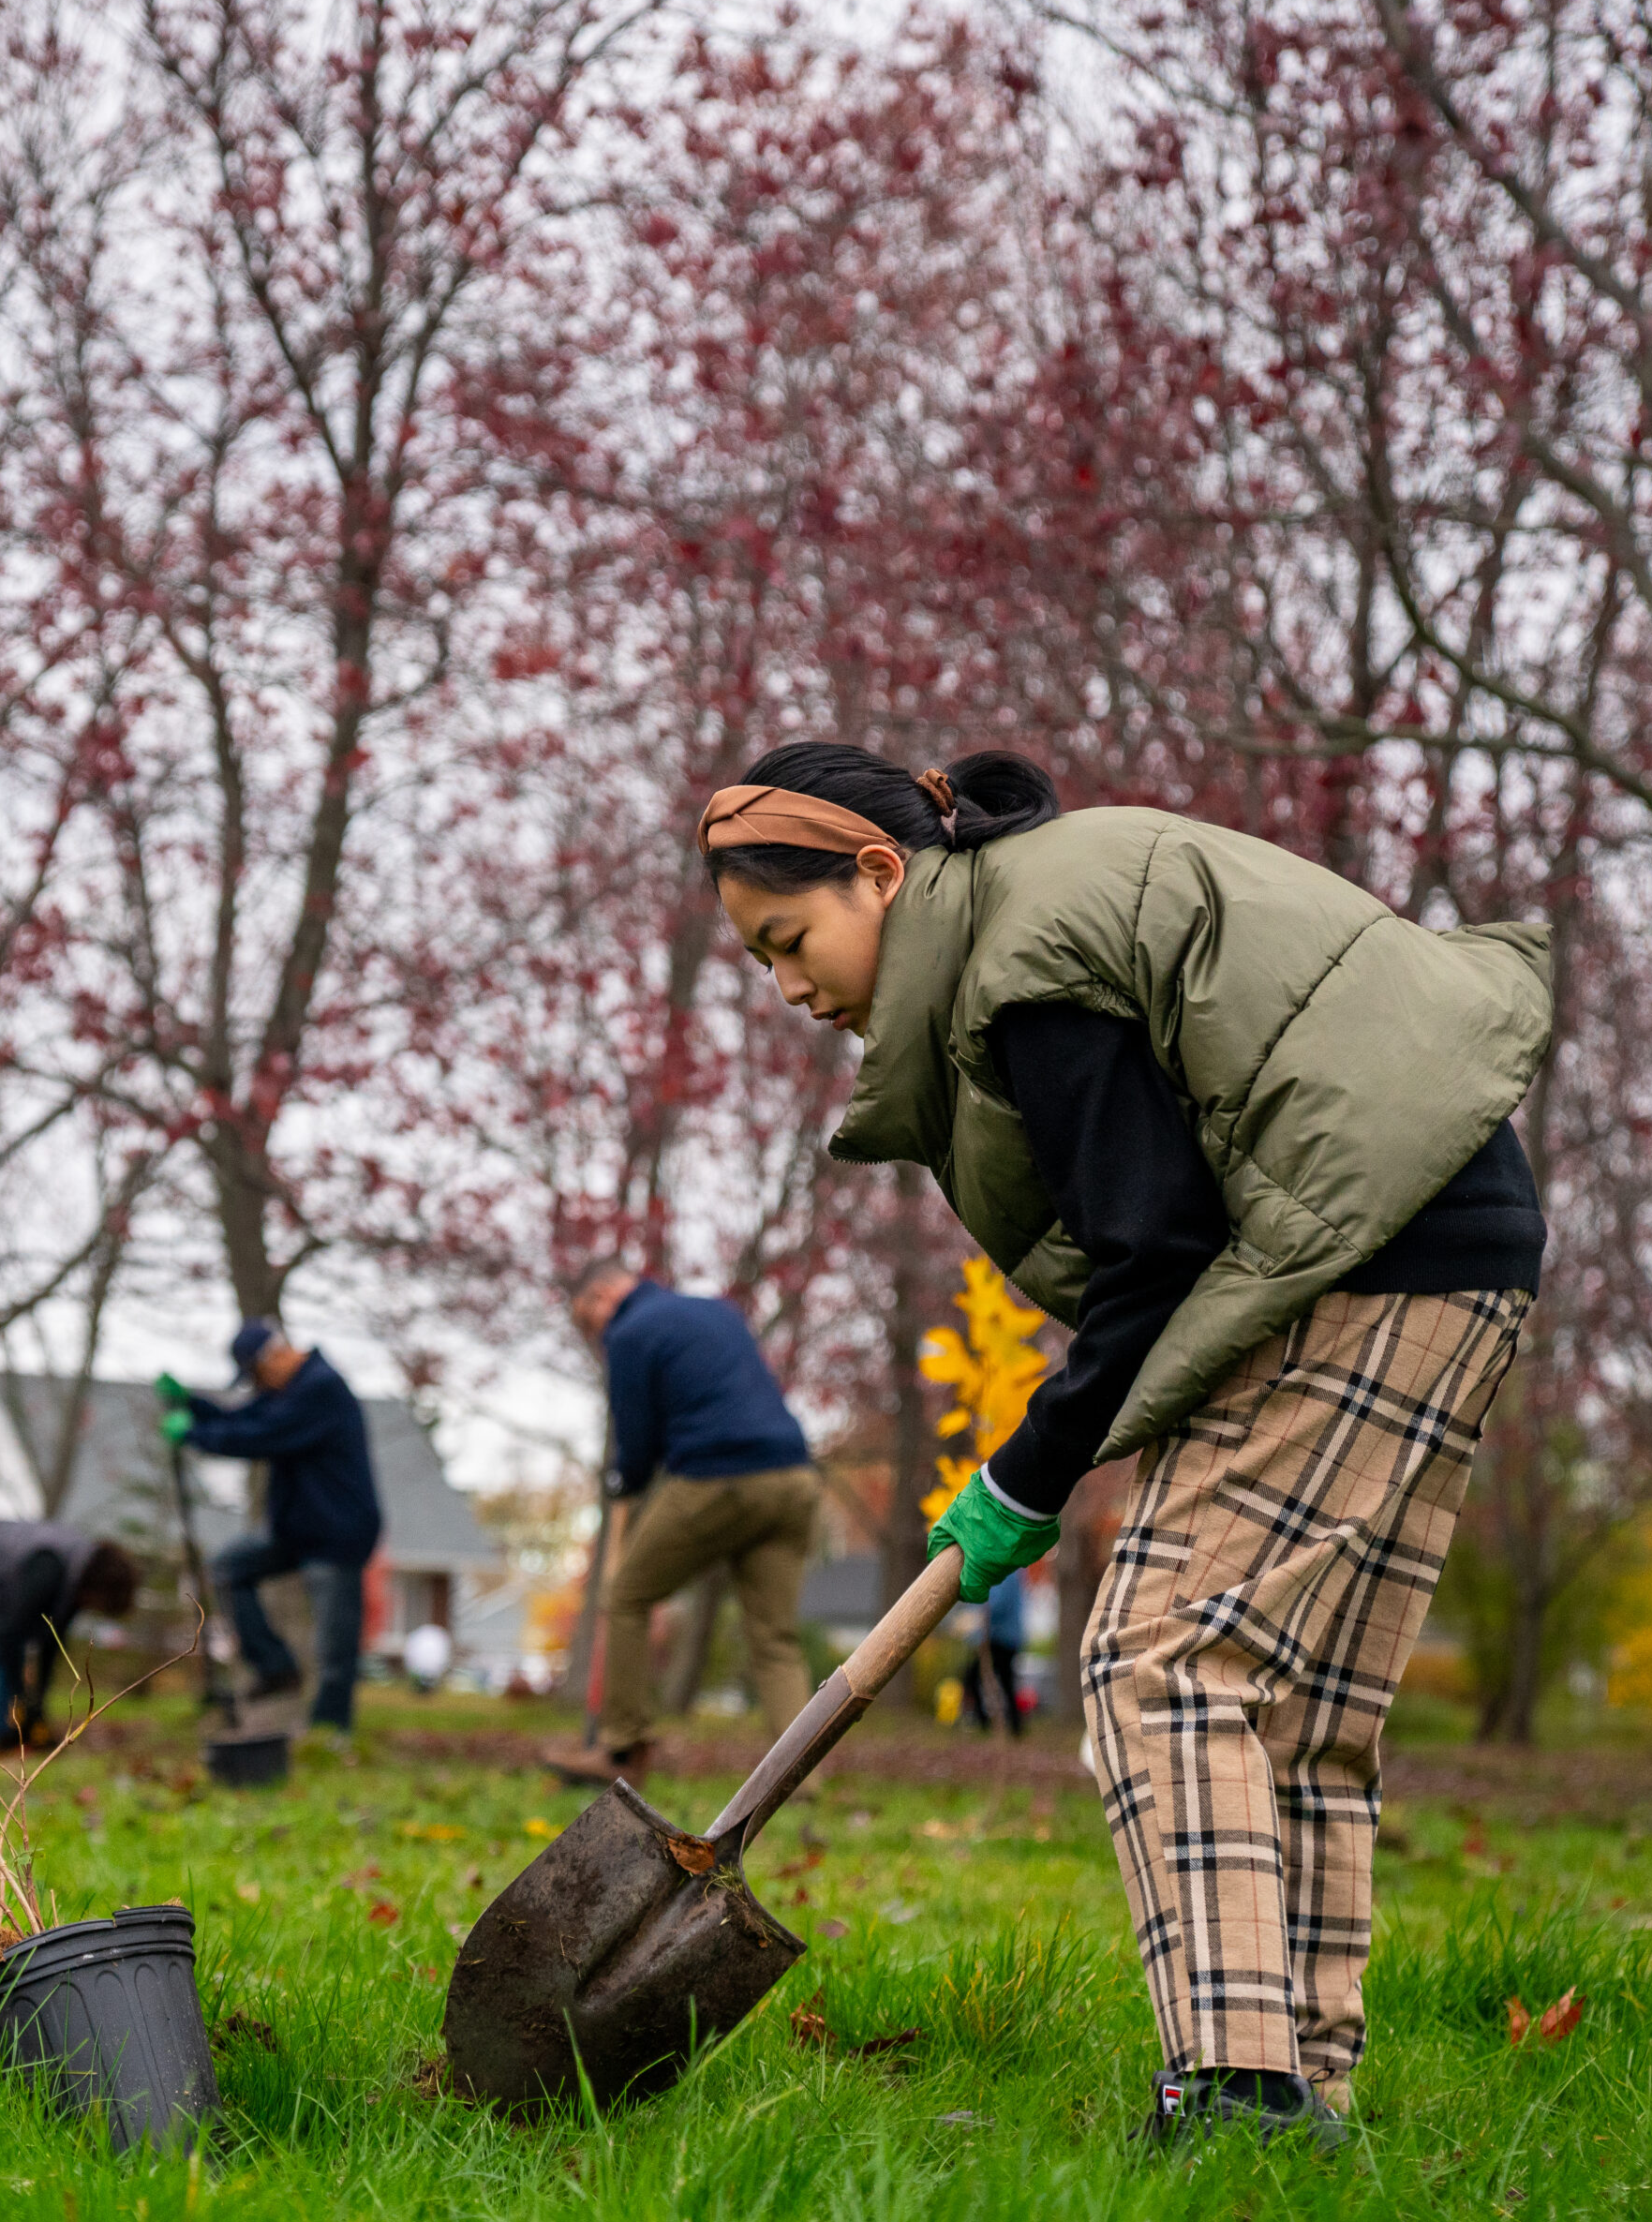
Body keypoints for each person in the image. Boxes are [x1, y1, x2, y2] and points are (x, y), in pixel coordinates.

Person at [707, 742, 1548, 2147]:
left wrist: (1022, 1474)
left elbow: (1150, 1252)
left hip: (1362, 1248)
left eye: (790, 943)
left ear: (878, 870)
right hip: (1447, 1241)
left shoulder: (1026, 955)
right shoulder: (1035, 906)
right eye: (760, 965)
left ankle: (1235, 2094)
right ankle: (1303, 2093)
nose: (790, 990)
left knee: (1159, 1662)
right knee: (1301, 1713)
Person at [541, 1261, 821, 1787]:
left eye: (588, 1324)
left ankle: (620, 1752)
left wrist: (625, 1479)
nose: (596, 1339)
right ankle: (803, 1781)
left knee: (626, 1598)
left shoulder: (628, 1332)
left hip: (719, 1480)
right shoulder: (717, 1309)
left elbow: (637, 1443)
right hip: (793, 1480)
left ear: (603, 1296)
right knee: (775, 1640)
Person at [159, 1320, 383, 1742]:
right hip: (298, 1530)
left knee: (334, 1646)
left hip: (337, 1534)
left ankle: (331, 1735)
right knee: (228, 1569)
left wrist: (195, 1435)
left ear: (272, 1358)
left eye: (257, 1377)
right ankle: (275, 1667)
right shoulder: (292, 1391)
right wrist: (192, 1404)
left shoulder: (321, 1389)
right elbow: (247, 1415)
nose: (258, 1387)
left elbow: (262, 1434)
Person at [0, 1517, 140, 1753]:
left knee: (2, 1654)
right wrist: (22, 1696)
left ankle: (4, 1739)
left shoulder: (73, 1580)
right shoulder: (48, 1569)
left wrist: (35, 1708)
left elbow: (50, 1646)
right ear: (99, 1589)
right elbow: (12, 1634)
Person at [958, 1567, 1032, 1739]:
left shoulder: (1006, 1572)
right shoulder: (1011, 1571)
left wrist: (975, 1615)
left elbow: (996, 1605)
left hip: (1002, 1638)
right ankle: (1013, 1726)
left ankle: (988, 1722)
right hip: (1003, 1636)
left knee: (974, 1677)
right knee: (1005, 1682)